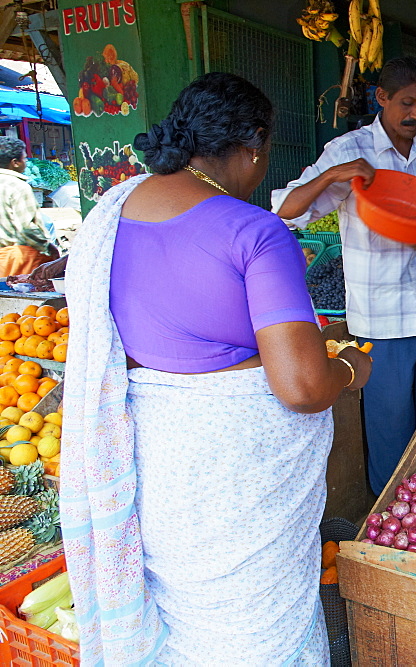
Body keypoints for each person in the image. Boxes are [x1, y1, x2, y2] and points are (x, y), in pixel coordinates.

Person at [62, 72, 372, 665]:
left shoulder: (115, 213)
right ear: (254, 143)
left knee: (185, 610)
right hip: (236, 479)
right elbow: (303, 387)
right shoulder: (253, 230)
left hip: (160, 460)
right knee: (254, 622)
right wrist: (352, 368)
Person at [272, 56, 416, 495]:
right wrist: (335, 176)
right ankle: (392, 509)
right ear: (382, 98)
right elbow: (284, 212)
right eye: (407, 103)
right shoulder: (348, 151)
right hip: (383, 309)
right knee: (389, 421)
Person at [0, 136, 58, 276]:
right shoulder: (18, 186)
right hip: (16, 258)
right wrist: (48, 247)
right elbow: (26, 228)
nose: (26, 162)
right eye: (25, 159)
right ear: (15, 162)